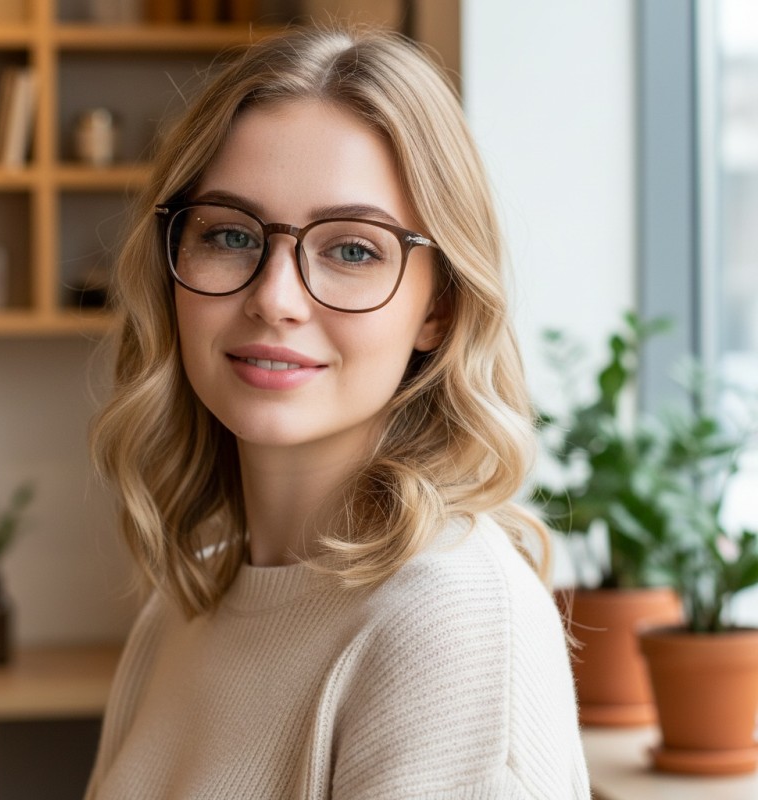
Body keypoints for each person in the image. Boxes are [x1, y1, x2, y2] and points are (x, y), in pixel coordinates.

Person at [85, 24, 590, 800]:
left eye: (353, 249)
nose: (275, 299)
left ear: (440, 308)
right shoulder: (185, 605)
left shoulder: (450, 626)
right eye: (228, 234)